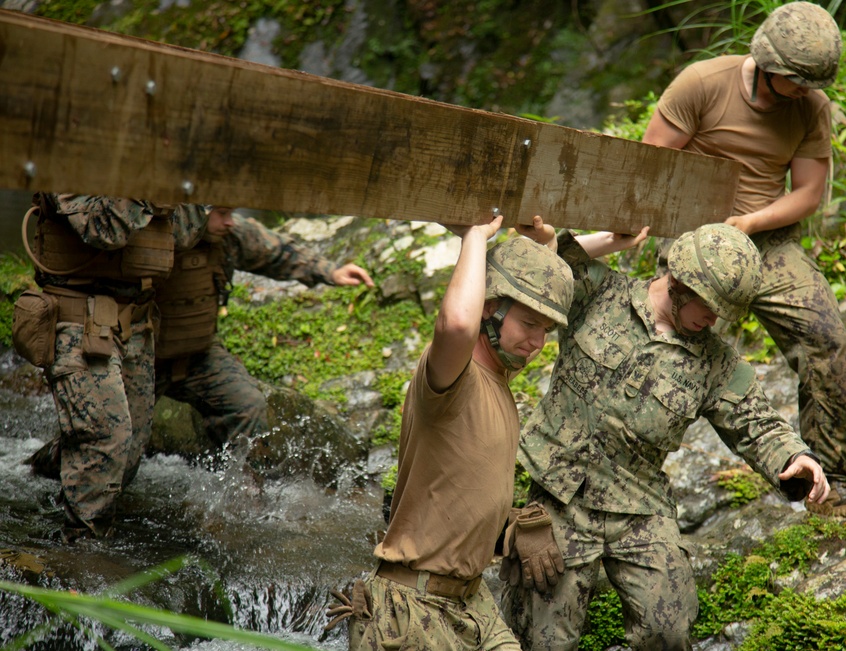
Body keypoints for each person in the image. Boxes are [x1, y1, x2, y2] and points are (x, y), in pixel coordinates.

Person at [501, 217, 831, 651]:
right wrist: (514, 516)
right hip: (558, 497)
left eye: (723, 313)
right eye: (708, 306)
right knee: (542, 639)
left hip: (638, 502)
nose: (714, 320)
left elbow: (757, 422)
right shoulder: (601, 293)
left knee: (669, 629)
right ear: (678, 283)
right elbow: (541, 264)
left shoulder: (715, 362)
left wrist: (795, 458)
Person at [642, 1, 846, 520]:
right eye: (795, 81)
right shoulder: (702, 83)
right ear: (767, 65)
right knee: (664, 358)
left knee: (828, 344)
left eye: (810, 84)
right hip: (696, 241)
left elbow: (809, 193)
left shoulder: (811, 107)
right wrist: (694, 238)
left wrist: (749, 223)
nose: (806, 93)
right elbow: (650, 167)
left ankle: (833, 487)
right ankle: (633, 486)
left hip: (765, 243)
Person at [324, 215, 574, 650]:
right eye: (530, 325)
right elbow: (457, 325)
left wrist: (545, 244)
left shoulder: (498, 374)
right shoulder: (452, 377)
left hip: (472, 601)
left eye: (546, 330)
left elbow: (524, 295)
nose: (537, 341)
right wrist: (474, 236)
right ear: (487, 308)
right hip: (412, 609)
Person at [28, 207, 375, 474]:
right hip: (141, 357)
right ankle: (48, 466)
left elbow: (277, 252)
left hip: (200, 355)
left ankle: (241, 495)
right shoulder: (151, 237)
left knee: (247, 405)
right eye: (220, 213)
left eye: (231, 212)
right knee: (117, 446)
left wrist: (329, 271)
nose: (229, 221)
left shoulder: (229, 236)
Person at [15, 193, 206, 542]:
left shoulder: (161, 158)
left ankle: (47, 474)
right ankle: (81, 552)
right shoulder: (77, 151)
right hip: (77, 320)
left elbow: (184, 234)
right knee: (106, 440)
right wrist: (149, 183)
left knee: (128, 449)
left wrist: (184, 184)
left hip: (134, 322)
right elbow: (104, 229)